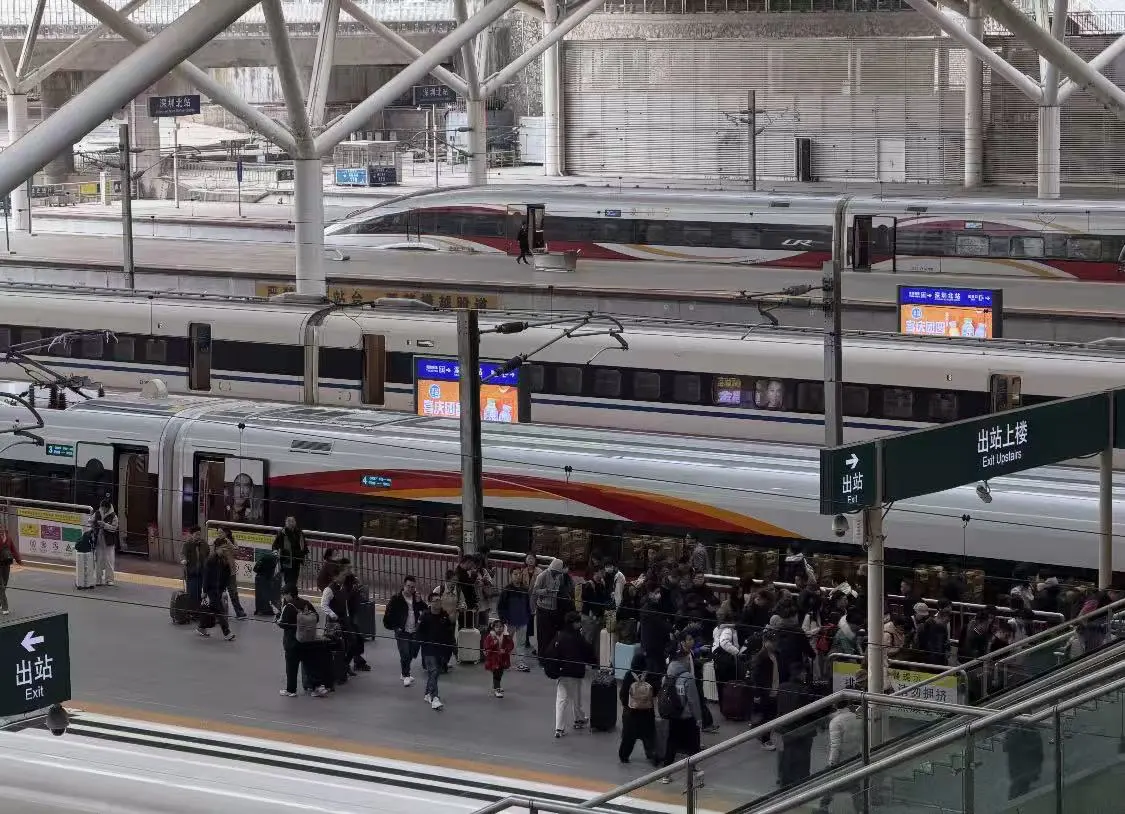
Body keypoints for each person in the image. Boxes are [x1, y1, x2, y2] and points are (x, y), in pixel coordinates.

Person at [659, 632, 704, 787]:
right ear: (683, 659)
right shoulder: (687, 678)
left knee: (672, 743)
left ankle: (666, 774)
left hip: (672, 715)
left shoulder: (667, 675)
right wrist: (698, 718)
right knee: (694, 743)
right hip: (687, 716)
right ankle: (695, 769)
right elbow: (693, 701)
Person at [543, 611, 596, 738]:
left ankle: (559, 728)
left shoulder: (559, 636)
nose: (580, 623)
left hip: (562, 672)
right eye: (578, 622)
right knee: (576, 698)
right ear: (574, 623)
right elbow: (587, 651)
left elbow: (549, 652)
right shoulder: (578, 637)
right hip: (575, 672)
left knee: (561, 700)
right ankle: (579, 719)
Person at [276, 584, 328, 698]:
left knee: (291, 667)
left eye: (284, 594)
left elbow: (282, 624)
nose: (283, 597)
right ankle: (317, 687)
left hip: (292, 641)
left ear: (289, 594)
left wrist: (277, 618)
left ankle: (291, 690)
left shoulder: (288, 606)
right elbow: (316, 617)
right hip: (308, 640)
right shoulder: (306, 603)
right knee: (310, 664)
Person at [775, 661, 820, 789]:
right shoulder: (805, 690)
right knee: (802, 758)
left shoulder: (782, 687)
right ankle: (801, 782)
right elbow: (812, 712)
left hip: (784, 728)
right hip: (803, 730)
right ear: (801, 674)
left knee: (785, 755)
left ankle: (784, 780)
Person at [817, 701, 863, 813]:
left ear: (835, 706)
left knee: (829, 785)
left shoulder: (835, 722)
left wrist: (832, 763)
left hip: (840, 760)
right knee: (855, 786)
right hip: (854, 757)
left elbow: (835, 745)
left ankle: (823, 809)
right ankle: (860, 809)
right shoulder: (857, 717)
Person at [384, 575, 428, 687]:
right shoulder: (396, 599)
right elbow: (388, 615)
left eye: (413, 587)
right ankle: (406, 674)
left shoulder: (416, 598)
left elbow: (426, 610)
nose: (410, 589)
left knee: (412, 652)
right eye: (408, 586)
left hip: (414, 630)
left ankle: (405, 673)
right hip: (402, 630)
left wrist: (419, 602)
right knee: (405, 652)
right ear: (404, 586)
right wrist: (396, 627)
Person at [417, 589, 456, 710]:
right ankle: (435, 698)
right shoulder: (425, 616)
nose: (439, 602)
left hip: (441, 649)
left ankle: (428, 693)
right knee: (433, 671)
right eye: (436, 601)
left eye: (440, 600)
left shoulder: (444, 614)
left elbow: (449, 630)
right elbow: (418, 633)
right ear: (430, 603)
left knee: (436, 672)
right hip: (428, 649)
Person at [498, 554, 536, 672]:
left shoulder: (525, 590)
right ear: (510, 576)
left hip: (522, 621)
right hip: (510, 622)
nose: (517, 576)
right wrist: (504, 619)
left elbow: (527, 606)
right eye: (515, 574)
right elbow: (501, 607)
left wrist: (528, 617)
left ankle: (520, 663)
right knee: (507, 642)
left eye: (519, 574)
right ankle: (503, 660)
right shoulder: (507, 590)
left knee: (521, 643)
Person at [618, 652, 656, 765]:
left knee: (628, 737)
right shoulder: (649, 675)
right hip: (647, 713)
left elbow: (623, 693)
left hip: (631, 714)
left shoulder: (629, 675)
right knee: (649, 736)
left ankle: (624, 756)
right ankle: (652, 754)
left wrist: (626, 706)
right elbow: (654, 691)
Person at [532, 558, 573, 657]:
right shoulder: (542, 576)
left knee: (551, 635)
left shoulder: (559, 576)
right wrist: (546, 591)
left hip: (553, 609)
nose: (557, 574)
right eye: (555, 572)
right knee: (542, 635)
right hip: (543, 609)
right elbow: (535, 591)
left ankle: (550, 655)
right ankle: (541, 656)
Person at [198, 542, 237, 642]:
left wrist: (223, 588)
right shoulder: (210, 560)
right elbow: (206, 577)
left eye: (225, 550)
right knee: (220, 611)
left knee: (213, 609)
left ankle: (201, 627)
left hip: (219, 589)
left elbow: (227, 576)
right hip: (211, 589)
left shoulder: (225, 561)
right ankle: (226, 633)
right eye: (222, 549)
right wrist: (204, 590)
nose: (223, 551)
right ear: (217, 549)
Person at [750, 631, 781, 750]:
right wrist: (757, 694)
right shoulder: (761, 656)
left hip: (774, 688)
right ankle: (765, 739)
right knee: (767, 715)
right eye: (770, 642)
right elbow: (756, 676)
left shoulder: (775, 654)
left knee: (770, 715)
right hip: (765, 691)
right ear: (764, 642)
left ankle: (761, 733)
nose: (773, 644)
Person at [213, 528, 247, 620]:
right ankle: (218, 613)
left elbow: (236, 552)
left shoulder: (231, 541)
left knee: (233, 592)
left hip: (230, 572)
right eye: (218, 533)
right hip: (220, 571)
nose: (219, 534)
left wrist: (228, 543)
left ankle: (239, 612)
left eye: (221, 532)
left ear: (226, 533)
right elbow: (214, 555)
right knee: (218, 593)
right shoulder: (216, 542)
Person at [272, 516, 308, 590]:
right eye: (289, 522)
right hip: (287, 560)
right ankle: (287, 596)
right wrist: (275, 552)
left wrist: (306, 554)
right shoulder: (283, 533)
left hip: (297, 560)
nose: (291, 523)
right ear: (286, 523)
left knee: (294, 579)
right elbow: (275, 545)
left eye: (293, 521)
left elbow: (304, 545)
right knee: (288, 580)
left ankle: (292, 595)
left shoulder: (299, 532)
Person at [483, 618, 515, 698]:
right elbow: (486, 647)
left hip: (503, 659)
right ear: (493, 627)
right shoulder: (490, 636)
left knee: (500, 673)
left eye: (501, 626)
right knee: (496, 673)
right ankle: (497, 689)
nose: (499, 628)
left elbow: (511, 645)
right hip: (494, 659)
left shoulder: (506, 636)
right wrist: (493, 644)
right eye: (497, 626)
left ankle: (497, 686)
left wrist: (505, 650)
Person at [92, 498, 119, 587]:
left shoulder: (113, 516)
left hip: (109, 541)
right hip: (99, 540)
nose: (102, 509)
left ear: (108, 508)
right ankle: (98, 579)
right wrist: (93, 523)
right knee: (98, 559)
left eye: (104, 508)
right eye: (101, 508)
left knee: (109, 560)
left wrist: (105, 525)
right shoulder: (97, 513)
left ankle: (109, 579)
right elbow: (90, 521)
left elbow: (114, 528)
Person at [180, 526, 208, 607]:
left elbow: (208, 552)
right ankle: (191, 608)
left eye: (199, 534)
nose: (198, 536)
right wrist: (184, 560)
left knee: (199, 590)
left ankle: (197, 607)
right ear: (191, 535)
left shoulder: (203, 543)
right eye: (196, 534)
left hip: (201, 571)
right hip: (191, 572)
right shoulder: (187, 544)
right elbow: (182, 553)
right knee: (192, 591)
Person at [0, 525, 21, 614]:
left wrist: (18, 560)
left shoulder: (8, 538)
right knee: (1, 586)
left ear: (4, 529)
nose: (0, 531)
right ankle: (5, 608)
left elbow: (13, 549)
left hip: (6, 565)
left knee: (5, 584)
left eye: (1, 529)